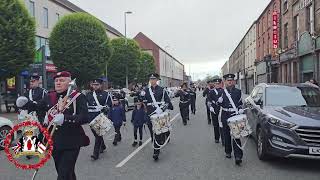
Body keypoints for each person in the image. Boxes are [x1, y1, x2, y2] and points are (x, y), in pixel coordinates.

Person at [16, 71, 89, 180]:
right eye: (56, 81)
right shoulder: (50, 96)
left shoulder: (78, 97)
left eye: (62, 80)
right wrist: (25, 104)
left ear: (69, 83)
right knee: (64, 171)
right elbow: (39, 106)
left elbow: (85, 117)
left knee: (63, 174)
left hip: (72, 142)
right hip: (55, 141)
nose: (58, 83)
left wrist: (66, 118)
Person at [141, 73, 173, 161]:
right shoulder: (146, 90)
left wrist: (162, 109)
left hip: (159, 114)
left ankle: (156, 151)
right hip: (150, 114)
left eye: (154, 79)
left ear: (157, 80)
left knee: (158, 132)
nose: (152, 80)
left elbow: (167, 102)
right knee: (152, 132)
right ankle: (156, 142)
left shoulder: (162, 90)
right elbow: (142, 101)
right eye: (151, 79)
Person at [218, 73, 244, 166]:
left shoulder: (238, 91)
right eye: (228, 81)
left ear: (234, 81)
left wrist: (241, 108)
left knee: (236, 135)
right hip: (225, 114)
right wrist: (219, 102)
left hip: (234, 115)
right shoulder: (221, 92)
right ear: (225, 82)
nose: (230, 82)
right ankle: (228, 151)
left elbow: (240, 102)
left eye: (231, 80)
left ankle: (238, 156)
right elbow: (218, 104)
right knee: (226, 135)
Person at [86, 78, 112, 160]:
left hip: (100, 116)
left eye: (97, 85)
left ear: (100, 85)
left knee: (98, 135)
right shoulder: (88, 94)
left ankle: (95, 154)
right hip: (91, 116)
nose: (95, 86)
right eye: (94, 85)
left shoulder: (105, 94)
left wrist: (106, 109)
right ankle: (103, 146)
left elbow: (109, 104)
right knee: (97, 134)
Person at [208, 78, 224, 143]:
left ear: (220, 84)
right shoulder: (211, 91)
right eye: (216, 84)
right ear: (214, 84)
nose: (217, 85)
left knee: (223, 125)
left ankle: (224, 139)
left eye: (218, 84)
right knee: (215, 124)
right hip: (214, 109)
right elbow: (209, 101)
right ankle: (217, 138)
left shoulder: (224, 91)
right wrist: (210, 107)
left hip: (222, 109)